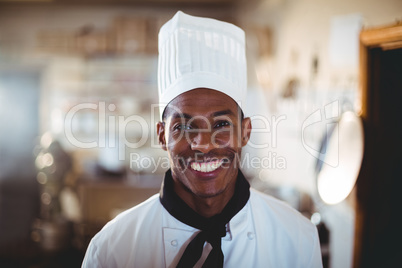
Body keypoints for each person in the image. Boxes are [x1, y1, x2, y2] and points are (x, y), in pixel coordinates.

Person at [82, 11, 322, 268]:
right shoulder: (112, 249)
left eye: (220, 124)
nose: (204, 144)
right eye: (184, 126)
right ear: (162, 136)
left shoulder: (296, 239)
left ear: (245, 132)